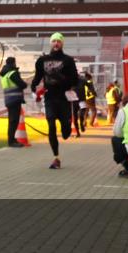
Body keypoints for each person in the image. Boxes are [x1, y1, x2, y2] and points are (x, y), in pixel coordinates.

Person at [31, 32, 79, 169]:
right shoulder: (42, 61)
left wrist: (62, 79)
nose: (56, 43)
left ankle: (67, 125)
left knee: (65, 133)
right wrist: (34, 89)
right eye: (54, 41)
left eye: (58, 41)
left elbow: (75, 79)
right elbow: (37, 78)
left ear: (62, 43)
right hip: (50, 98)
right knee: (51, 126)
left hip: (63, 98)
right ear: (50, 43)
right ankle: (56, 158)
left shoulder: (68, 60)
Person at [0, 56, 27, 148]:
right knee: (14, 121)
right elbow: (22, 85)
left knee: (12, 121)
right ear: (14, 63)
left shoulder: (4, 75)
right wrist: (25, 83)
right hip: (15, 100)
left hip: (9, 99)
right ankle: (11, 141)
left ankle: (12, 139)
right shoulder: (12, 73)